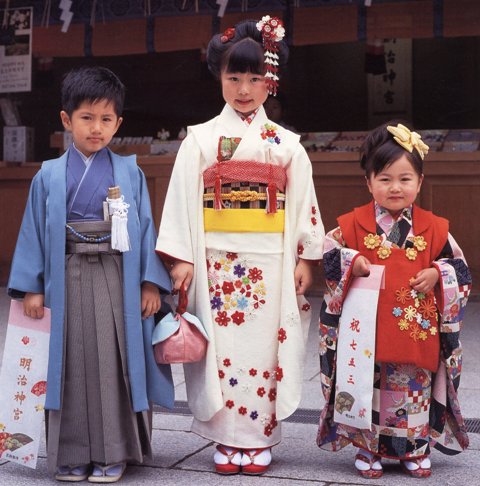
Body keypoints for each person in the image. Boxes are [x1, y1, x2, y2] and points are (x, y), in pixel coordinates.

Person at [156, 16, 324, 476]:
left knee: (265, 349)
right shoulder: (201, 139)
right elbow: (180, 202)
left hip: (270, 262)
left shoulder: (286, 145)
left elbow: (304, 204)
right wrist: (182, 258)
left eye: (255, 78)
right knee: (219, 346)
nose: (244, 88)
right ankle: (225, 438)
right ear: (220, 78)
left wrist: (306, 258)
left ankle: (259, 438)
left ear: (271, 80)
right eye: (234, 77)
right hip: (215, 263)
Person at [7, 66, 173, 483]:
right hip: (65, 277)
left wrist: (150, 281)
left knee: (114, 363)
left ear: (118, 122)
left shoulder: (130, 172)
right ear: (66, 120)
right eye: (86, 117)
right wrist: (32, 286)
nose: (96, 128)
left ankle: (113, 453)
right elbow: (32, 231)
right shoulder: (48, 175)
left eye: (105, 119)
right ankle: (71, 454)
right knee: (69, 365)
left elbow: (147, 227)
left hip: (118, 276)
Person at [316, 122, 472, 478]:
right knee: (365, 386)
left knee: (412, 389)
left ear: (420, 180)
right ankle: (367, 449)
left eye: (405, 178)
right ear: (368, 181)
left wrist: (437, 272)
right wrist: (351, 261)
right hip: (367, 330)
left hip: (414, 331)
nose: (395, 187)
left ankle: (413, 450)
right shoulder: (352, 224)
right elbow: (328, 253)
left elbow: (459, 270)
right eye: (384, 179)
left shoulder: (435, 227)